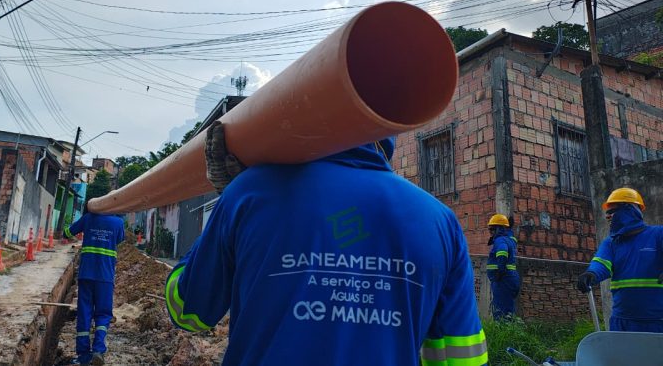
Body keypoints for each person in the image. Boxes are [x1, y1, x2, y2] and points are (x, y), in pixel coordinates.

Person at [164, 121, 487, 365]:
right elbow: (463, 358)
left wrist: (226, 209)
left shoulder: (250, 193)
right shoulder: (440, 220)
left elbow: (188, 312)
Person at [577, 187, 663, 333]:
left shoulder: (657, 234)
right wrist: (591, 274)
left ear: (630, 210)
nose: (608, 217)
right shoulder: (611, 243)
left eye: (612, 211)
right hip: (622, 322)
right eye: (607, 213)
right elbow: (601, 264)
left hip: (658, 321)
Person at [64, 212, 125, 365]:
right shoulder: (118, 222)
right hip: (105, 277)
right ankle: (98, 350)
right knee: (103, 313)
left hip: (86, 274)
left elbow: (68, 233)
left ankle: (83, 356)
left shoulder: (88, 218)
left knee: (84, 312)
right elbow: (119, 239)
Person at [486, 213, 520, 319]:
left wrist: (499, 272)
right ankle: (508, 327)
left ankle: (503, 328)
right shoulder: (509, 239)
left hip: (503, 279)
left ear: (499, 229)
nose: (490, 232)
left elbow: (503, 252)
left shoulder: (500, 240)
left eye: (492, 229)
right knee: (507, 310)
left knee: (501, 312)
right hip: (509, 278)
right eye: (489, 229)